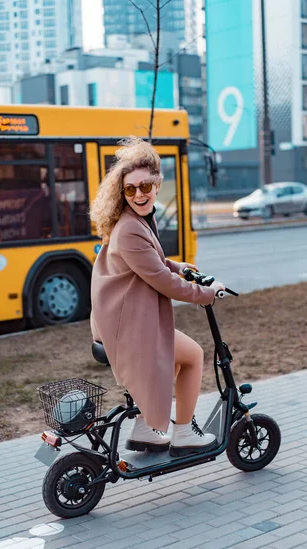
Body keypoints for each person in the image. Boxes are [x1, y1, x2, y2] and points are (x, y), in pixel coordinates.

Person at [89, 137, 225, 457]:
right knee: (192, 356)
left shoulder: (136, 221)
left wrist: (178, 265)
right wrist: (204, 294)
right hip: (126, 327)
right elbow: (162, 282)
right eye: (130, 189)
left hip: (124, 319)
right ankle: (183, 433)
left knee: (173, 360)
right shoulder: (131, 228)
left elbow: (150, 263)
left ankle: (145, 428)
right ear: (121, 193)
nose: (139, 194)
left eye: (145, 186)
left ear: (157, 183)